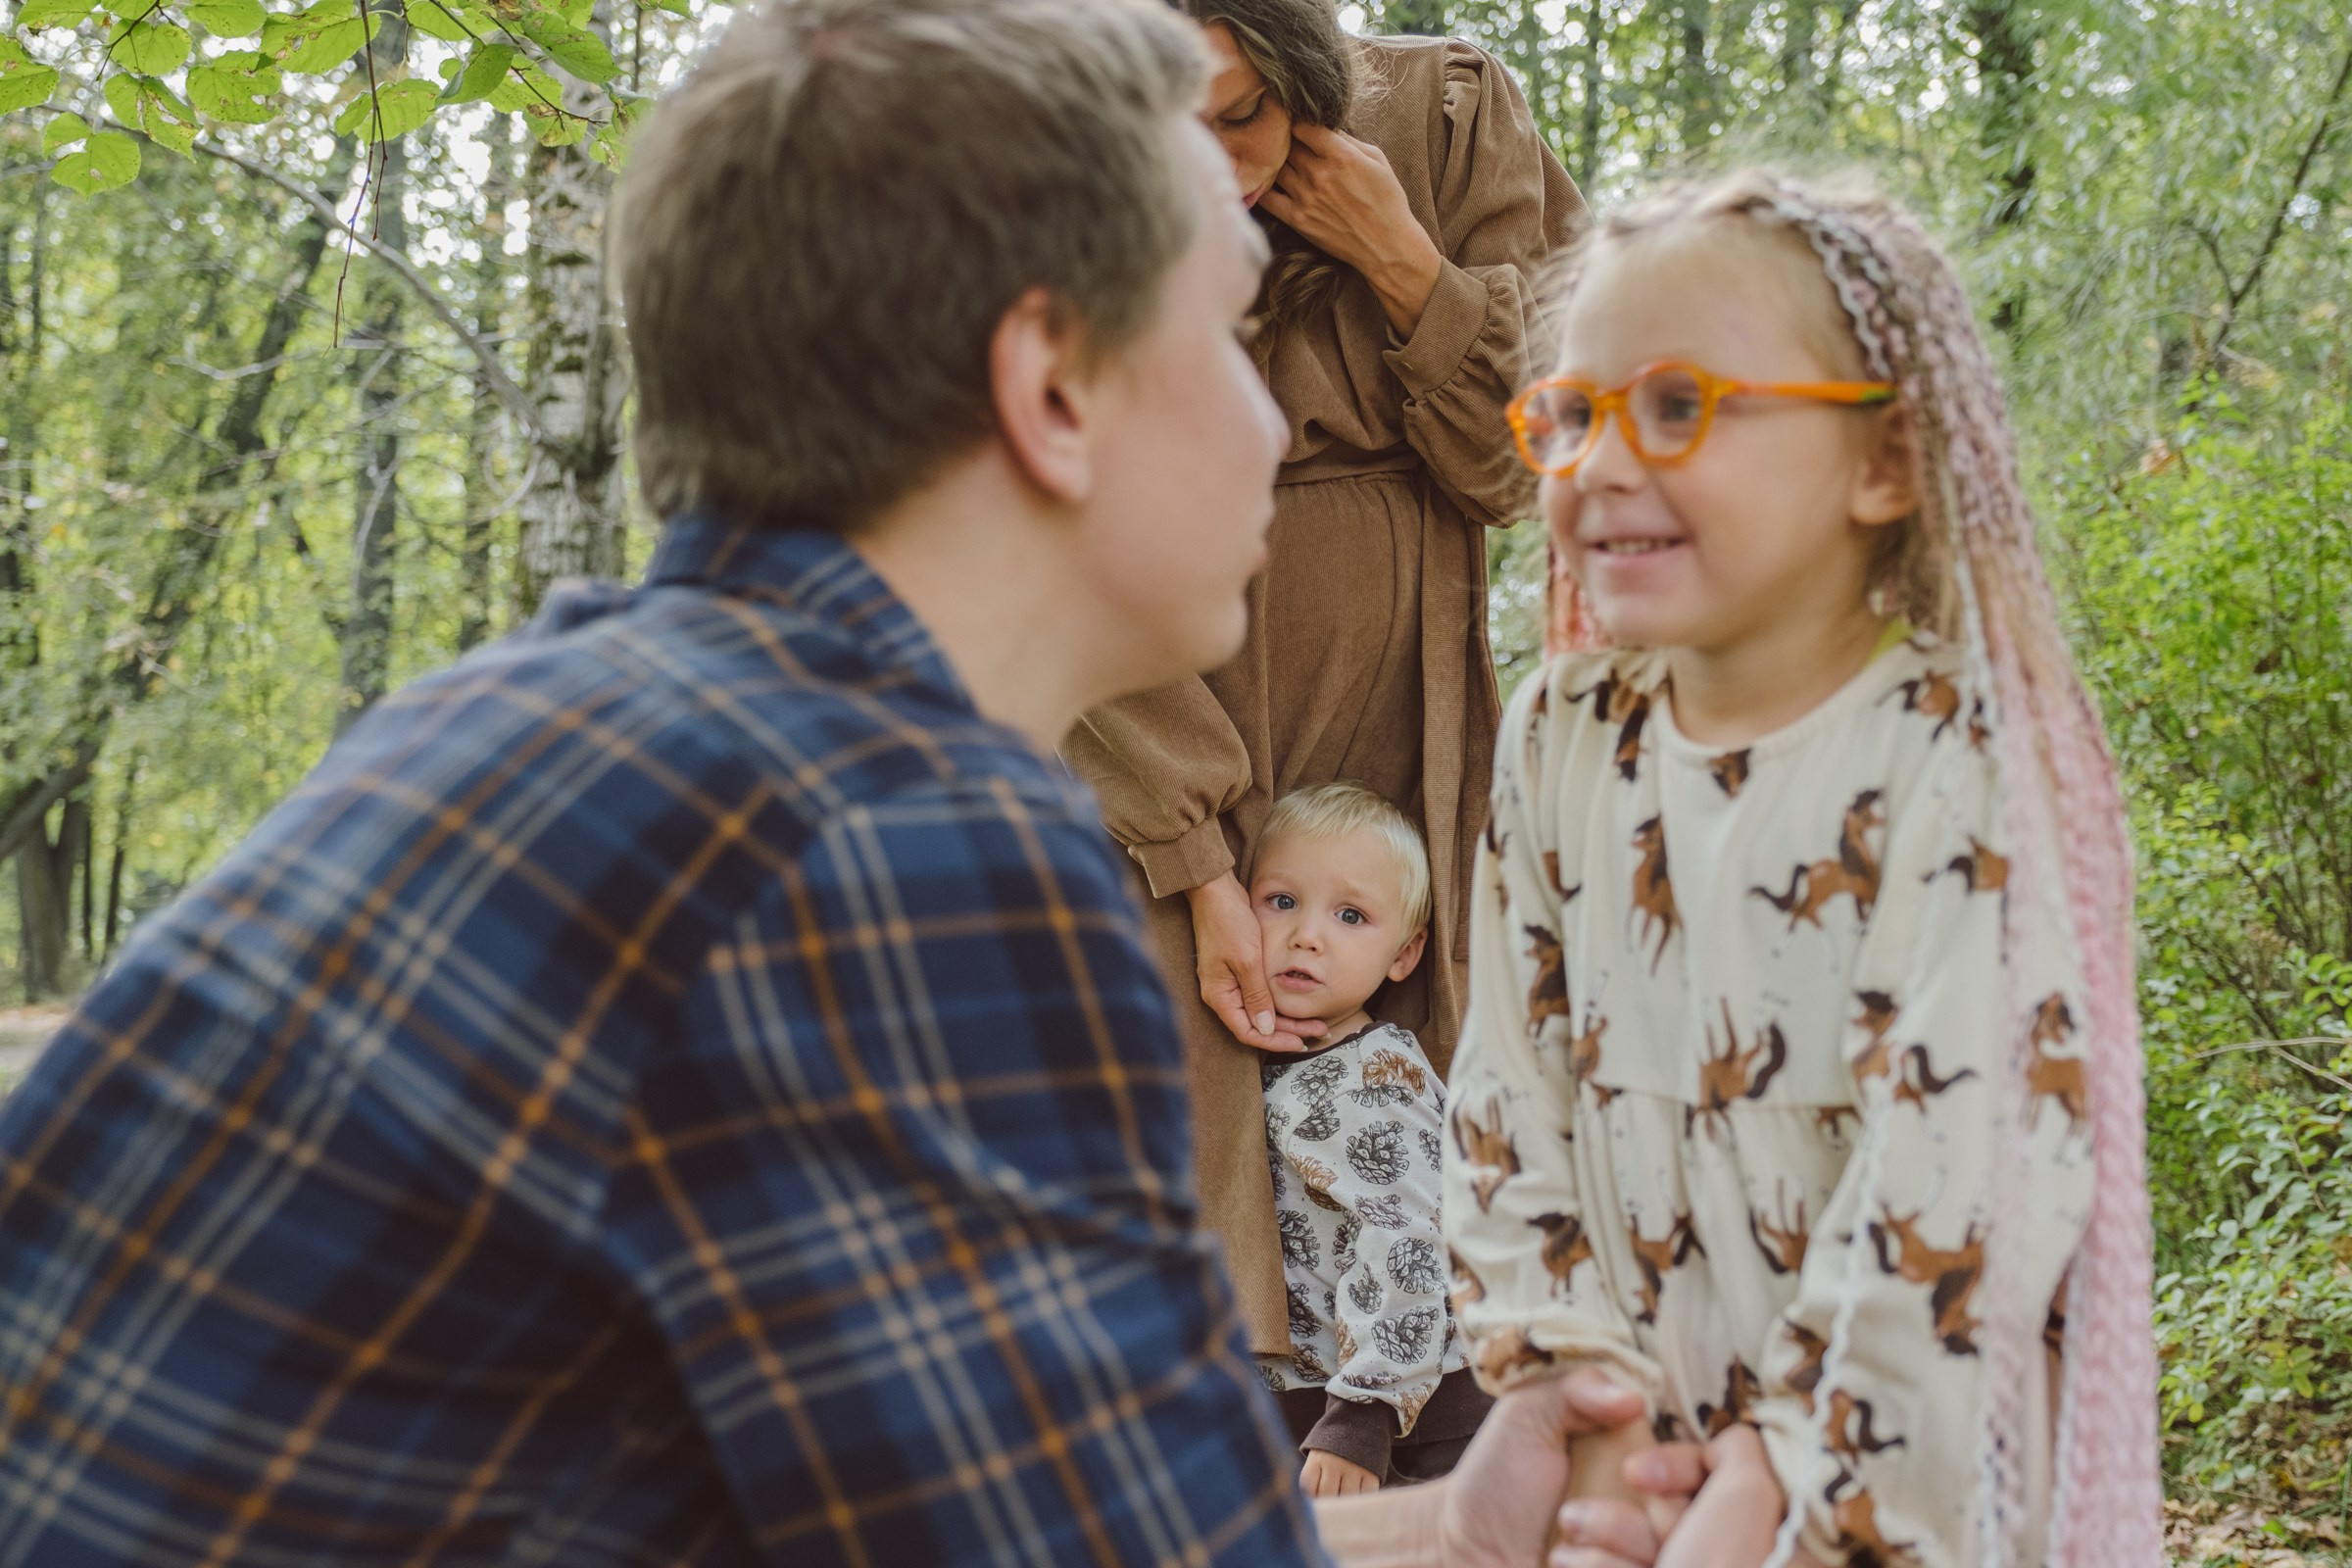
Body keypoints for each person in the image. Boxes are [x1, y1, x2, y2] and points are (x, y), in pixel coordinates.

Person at [0, 1, 1628, 1561]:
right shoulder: (894, 852)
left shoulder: (561, 723)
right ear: (1052, 392)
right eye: (1223, 341)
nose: (1277, 435)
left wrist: (1459, 1527)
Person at [1441, 171, 2163, 1568]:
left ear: (1883, 463)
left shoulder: (1959, 757)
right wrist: (1575, 1389)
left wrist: (1785, 1479)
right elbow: (1503, 1092)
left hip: (1879, 1489)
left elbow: (1960, 1184)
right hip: (1626, 1477)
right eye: (1575, 415)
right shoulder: (1562, 740)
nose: (1595, 464)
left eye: (1677, 406)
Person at [1065, 0, 1586, 1365]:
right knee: (1183, 1096)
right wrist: (1187, 848)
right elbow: (1039, 510)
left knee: (1404, 1082)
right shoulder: (1049, 171)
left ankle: (1412, 1436)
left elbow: (1524, 465)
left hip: (1403, 694)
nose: (1217, 166)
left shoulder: (1452, 112)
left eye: (1245, 112)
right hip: (1151, 692)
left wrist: (1404, 263)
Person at [1249, 782, 1493, 1496]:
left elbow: (1411, 1240)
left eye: (1350, 915)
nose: (1307, 935)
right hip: (1327, 1406)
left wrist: (1363, 1412)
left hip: (1414, 1418)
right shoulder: (1270, 1070)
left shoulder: (1371, 1080)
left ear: (1404, 954)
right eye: (1281, 901)